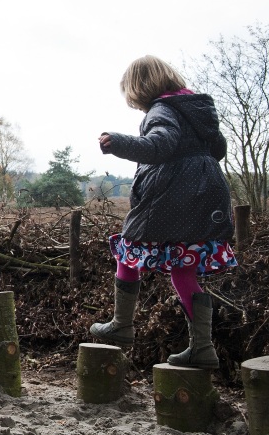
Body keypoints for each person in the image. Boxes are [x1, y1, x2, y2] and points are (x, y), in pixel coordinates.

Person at [90, 55, 237, 369]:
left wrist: (118, 143)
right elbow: (219, 150)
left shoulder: (163, 109)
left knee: (127, 248)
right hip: (207, 194)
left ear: (140, 86)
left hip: (175, 195)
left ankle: (121, 326)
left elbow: (159, 146)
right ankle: (202, 349)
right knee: (183, 266)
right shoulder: (198, 110)